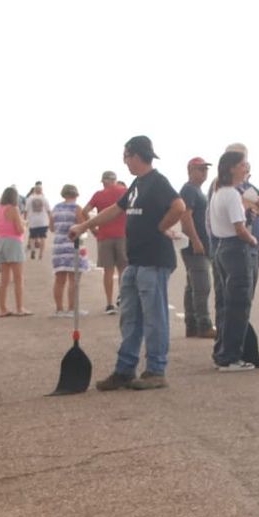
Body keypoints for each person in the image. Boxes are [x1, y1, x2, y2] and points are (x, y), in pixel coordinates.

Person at [73, 136, 185, 391]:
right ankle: (125, 369)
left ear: (136, 155)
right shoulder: (136, 185)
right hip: (135, 261)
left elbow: (178, 206)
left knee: (155, 318)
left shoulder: (157, 181)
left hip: (153, 260)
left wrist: (162, 226)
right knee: (130, 317)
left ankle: (156, 370)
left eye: (126, 156)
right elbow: (115, 209)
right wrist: (85, 225)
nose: (124, 162)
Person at [209, 151, 259, 371]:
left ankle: (222, 351)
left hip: (222, 247)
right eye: (242, 165)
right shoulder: (231, 194)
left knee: (226, 303)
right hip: (235, 249)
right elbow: (239, 228)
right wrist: (252, 239)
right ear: (231, 168)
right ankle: (231, 356)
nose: (245, 168)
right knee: (238, 304)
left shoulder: (218, 192)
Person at [177, 157, 214, 339]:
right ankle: (204, 325)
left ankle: (191, 325)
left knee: (192, 286)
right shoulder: (189, 190)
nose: (204, 172)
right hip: (194, 246)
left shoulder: (198, 191)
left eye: (205, 169)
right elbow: (186, 217)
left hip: (199, 244)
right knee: (201, 286)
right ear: (190, 169)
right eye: (200, 169)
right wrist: (196, 240)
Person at [84, 170, 129, 315]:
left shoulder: (99, 195)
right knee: (123, 269)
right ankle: (123, 298)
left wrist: (92, 228)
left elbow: (85, 211)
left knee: (108, 271)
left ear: (104, 181)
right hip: (123, 234)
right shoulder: (124, 191)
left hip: (104, 235)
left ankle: (109, 303)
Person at [50, 183, 89, 318]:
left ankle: (59, 309)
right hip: (74, 245)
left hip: (58, 245)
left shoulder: (56, 208)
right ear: (76, 195)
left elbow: (51, 227)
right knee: (74, 279)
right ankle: (72, 308)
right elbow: (83, 226)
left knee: (59, 279)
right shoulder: (77, 208)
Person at [0, 187, 29, 316]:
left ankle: (3, 308)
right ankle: (20, 308)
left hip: (1, 242)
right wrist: (25, 225)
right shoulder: (14, 209)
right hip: (14, 242)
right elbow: (19, 229)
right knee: (18, 278)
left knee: (4, 280)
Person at [25, 182, 52, 260]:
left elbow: (26, 210)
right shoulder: (44, 198)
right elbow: (49, 211)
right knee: (43, 238)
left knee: (33, 237)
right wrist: (51, 220)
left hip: (33, 221)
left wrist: (25, 220)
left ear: (34, 190)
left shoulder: (29, 198)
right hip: (43, 221)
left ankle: (33, 250)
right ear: (41, 190)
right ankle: (40, 255)